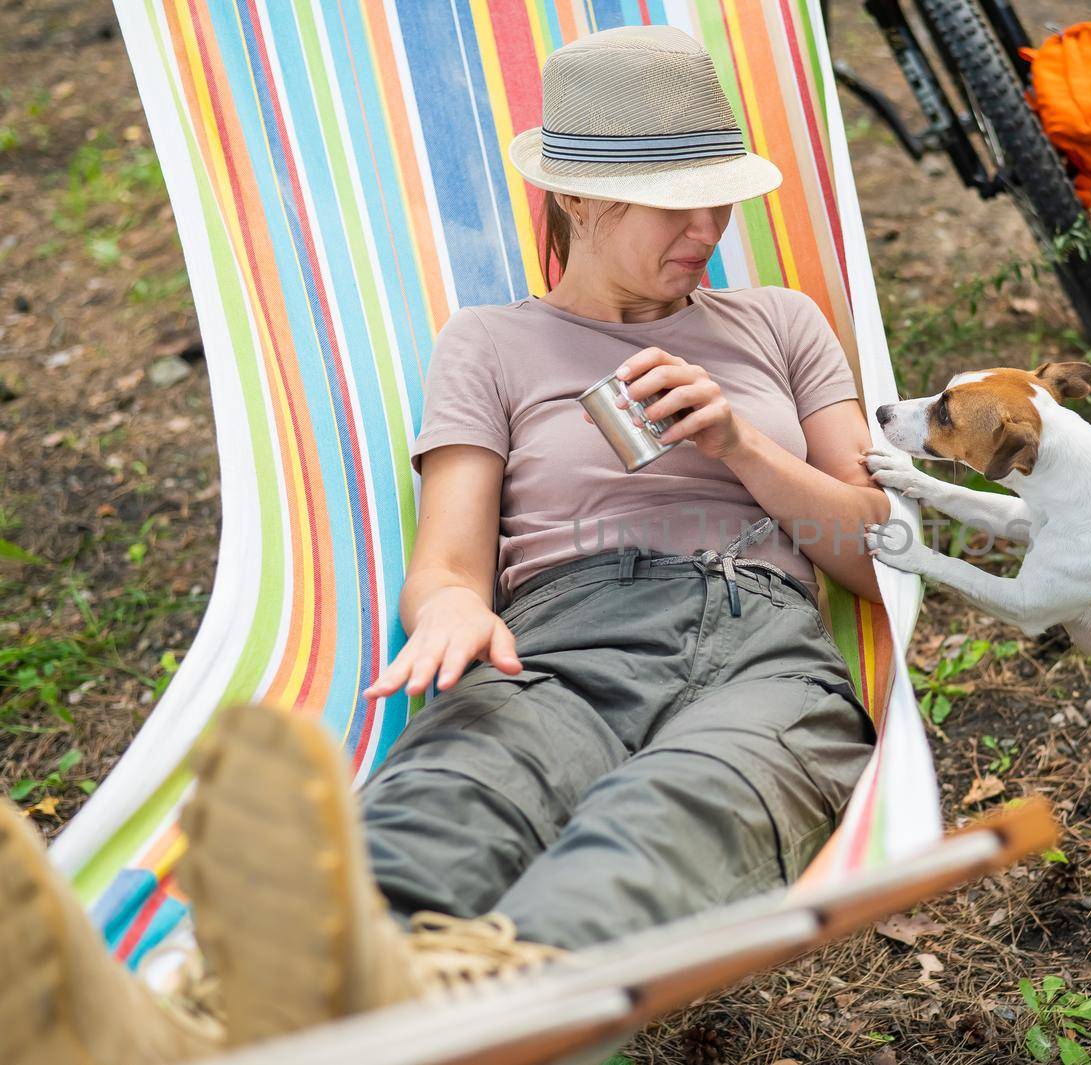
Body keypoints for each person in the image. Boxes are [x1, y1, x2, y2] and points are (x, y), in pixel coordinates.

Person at [0, 23, 887, 1063]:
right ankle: (216, 1007)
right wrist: (456, 609)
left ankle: (447, 1003)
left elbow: (882, 555)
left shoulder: (778, 323)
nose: (708, 225)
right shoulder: (491, 343)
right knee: (460, 795)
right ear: (579, 200)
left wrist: (741, 444)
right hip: (566, 633)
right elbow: (451, 565)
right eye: (673, 201)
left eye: (719, 193)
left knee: (680, 813)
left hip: (770, 653)